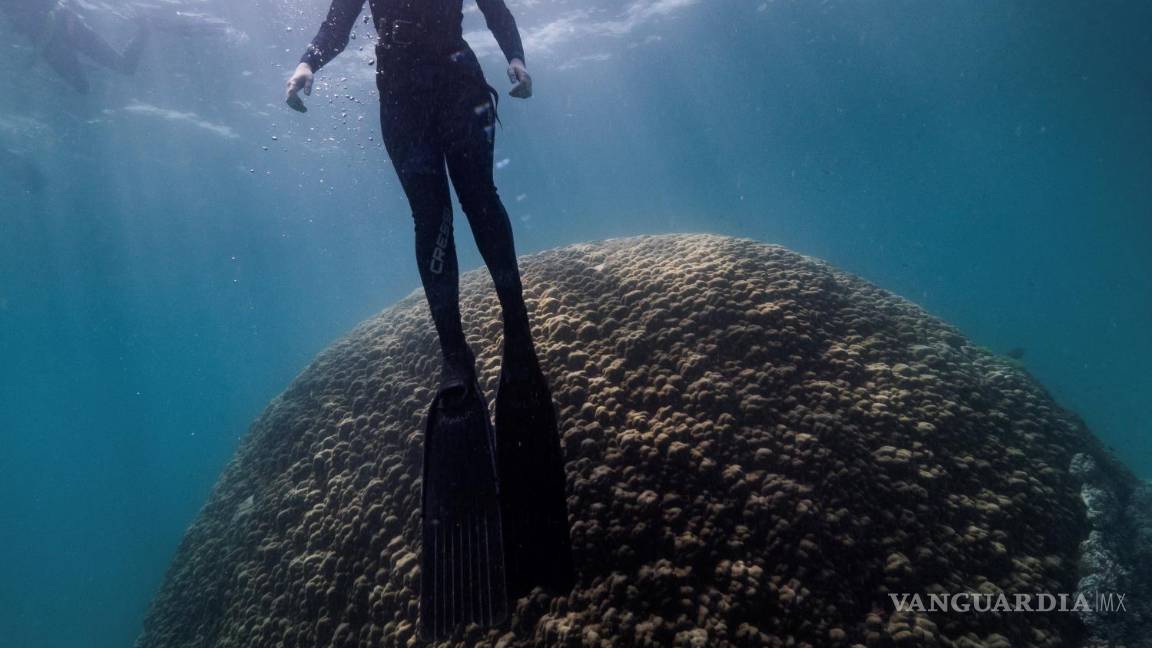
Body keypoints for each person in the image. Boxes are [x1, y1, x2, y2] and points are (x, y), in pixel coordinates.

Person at [287, 0, 573, 639]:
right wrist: (307, 64)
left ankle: (517, 331)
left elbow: (494, 6)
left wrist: (517, 57)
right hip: (401, 95)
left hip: (456, 80)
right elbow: (338, 22)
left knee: (480, 200)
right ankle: (455, 357)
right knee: (431, 217)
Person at [0, 0, 148, 94]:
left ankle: (144, 29)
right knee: (83, 88)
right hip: (50, 38)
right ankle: (144, 29)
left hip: (64, 25)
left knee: (124, 68)